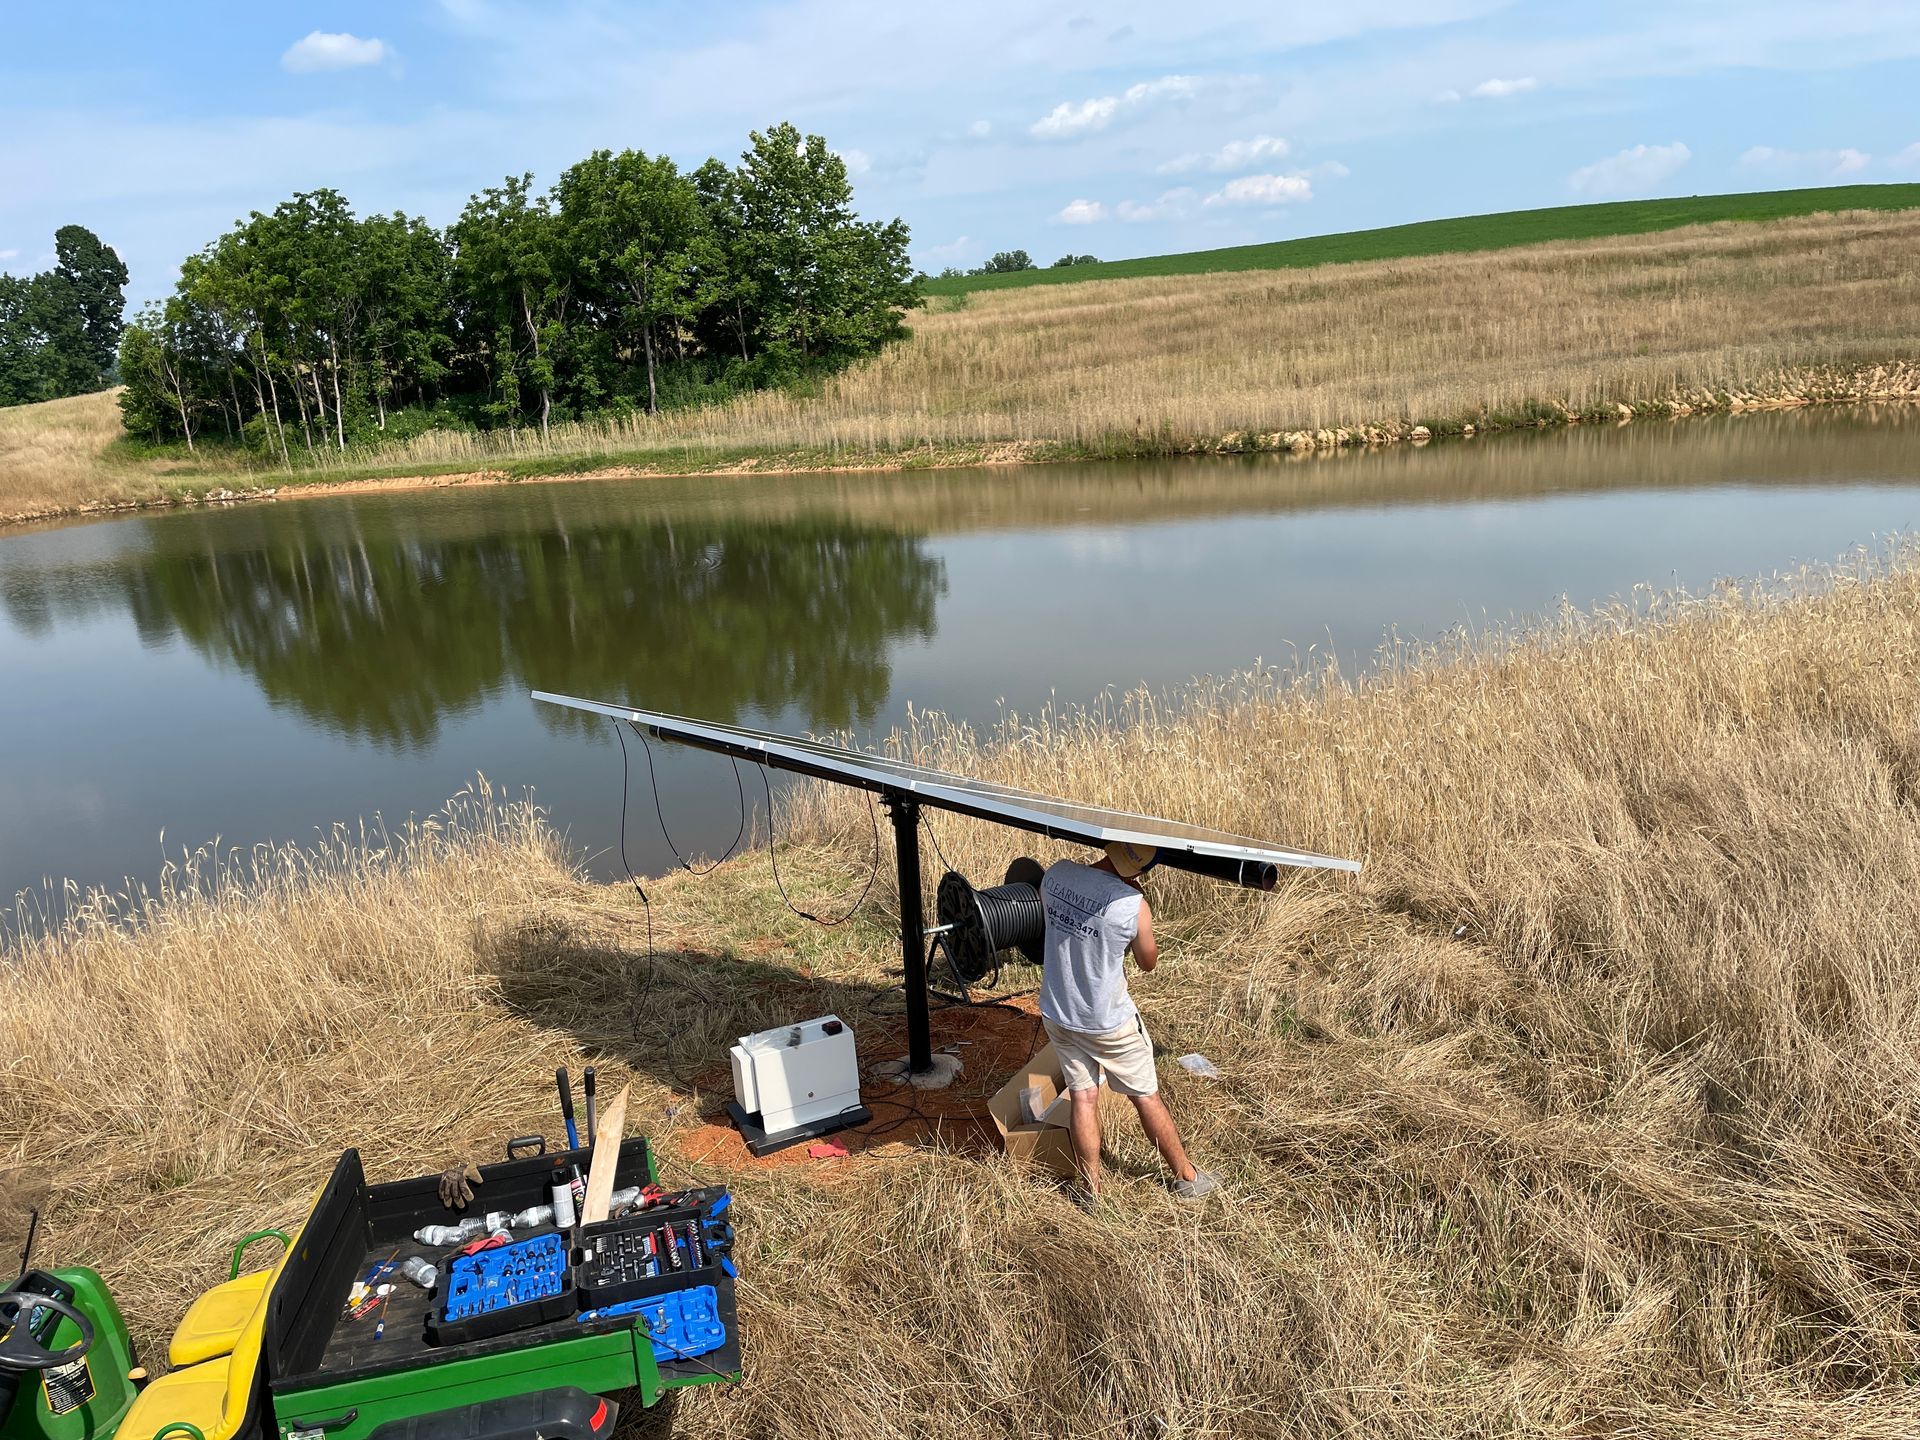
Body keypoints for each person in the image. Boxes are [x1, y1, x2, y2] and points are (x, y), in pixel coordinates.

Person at [1038, 840, 1218, 1200]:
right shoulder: (1133, 906)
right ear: (1140, 870)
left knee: (1083, 1098)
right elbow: (1147, 962)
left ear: (1108, 847)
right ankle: (1187, 1177)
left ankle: (1090, 1188)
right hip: (1107, 1022)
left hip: (1058, 1010)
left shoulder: (1056, 874)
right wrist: (1132, 901)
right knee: (1146, 1097)